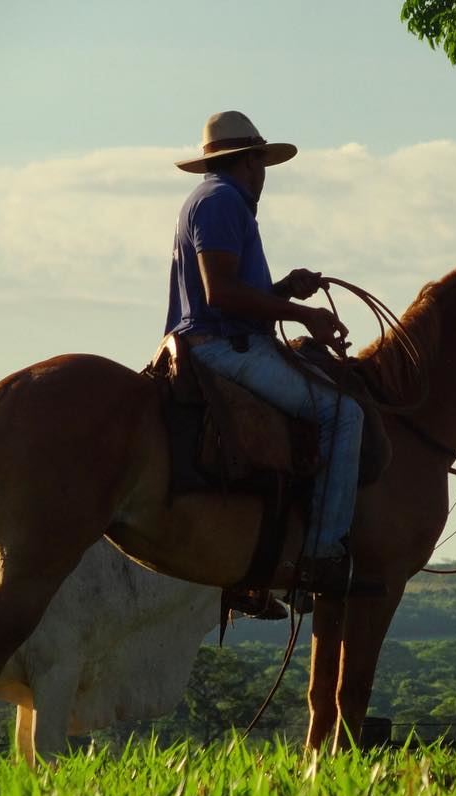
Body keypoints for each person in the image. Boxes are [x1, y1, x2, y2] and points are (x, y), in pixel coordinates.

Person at [166, 110, 364, 596]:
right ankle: (321, 552)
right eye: (263, 164)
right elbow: (219, 296)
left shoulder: (210, 200)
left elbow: (234, 293)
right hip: (223, 347)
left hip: (221, 337)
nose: (265, 177)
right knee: (344, 415)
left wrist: (284, 291)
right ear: (251, 161)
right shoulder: (221, 202)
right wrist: (303, 317)